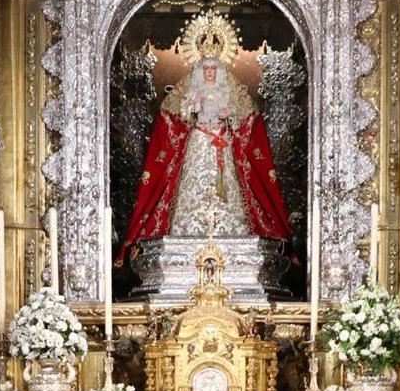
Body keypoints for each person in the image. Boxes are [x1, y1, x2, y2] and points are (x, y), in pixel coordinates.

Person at [117, 18, 290, 258]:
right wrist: (193, 106)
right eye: (206, 68)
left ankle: (229, 230)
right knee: (194, 183)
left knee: (227, 184)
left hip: (221, 142)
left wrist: (230, 115)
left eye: (213, 68)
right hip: (199, 140)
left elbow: (246, 117)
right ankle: (188, 229)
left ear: (219, 70)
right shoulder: (191, 89)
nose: (210, 72)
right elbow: (178, 115)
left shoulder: (229, 90)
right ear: (201, 70)